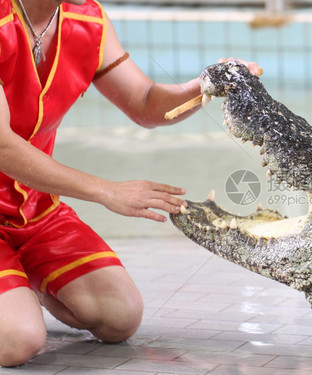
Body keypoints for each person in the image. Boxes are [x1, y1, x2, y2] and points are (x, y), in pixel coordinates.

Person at [0, 0, 259, 367]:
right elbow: (2, 146)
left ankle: (21, 282)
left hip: (35, 210)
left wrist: (203, 86)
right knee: (18, 342)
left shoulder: (87, 20)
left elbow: (144, 102)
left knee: (119, 318)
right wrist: (108, 190)